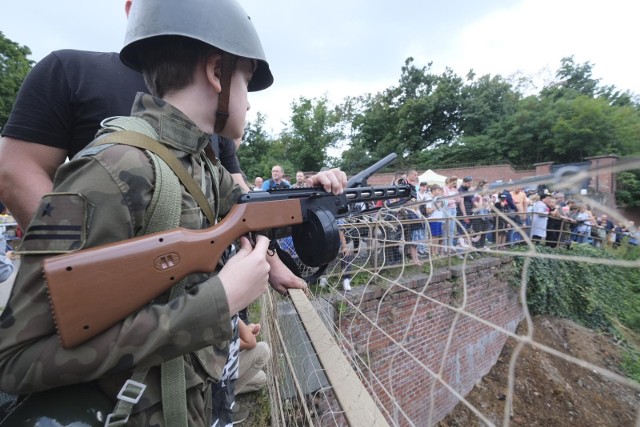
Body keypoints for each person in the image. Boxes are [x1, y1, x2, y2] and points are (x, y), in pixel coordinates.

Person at [0, 1, 347, 426]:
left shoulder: (200, 164)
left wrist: (310, 195)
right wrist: (220, 301)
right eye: (247, 80)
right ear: (216, 72)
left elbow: (247, 211)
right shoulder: (114, 170)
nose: (251, 104)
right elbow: (19, 359)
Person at [0, 0, 244, 230]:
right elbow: (16, 171)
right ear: (132, 8)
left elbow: (238, 195)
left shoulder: (214, 110)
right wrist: (78, 256)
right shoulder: (70, 70)